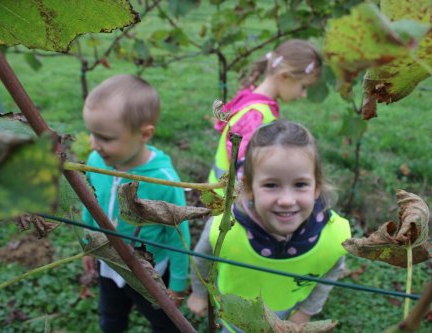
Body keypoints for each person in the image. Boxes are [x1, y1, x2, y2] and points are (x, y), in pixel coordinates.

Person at [189, 120, 351, 332]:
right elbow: (202, 261)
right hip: (233, 315)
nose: (286, 200)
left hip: (285, 313)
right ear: (248, 188)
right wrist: (199, 293)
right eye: (271, 185)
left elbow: (331, 271)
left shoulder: (333, 237)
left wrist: (307, 311)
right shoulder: (224, 228)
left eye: (300, 185)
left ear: (316, 187)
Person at [81, 74, 190, 333]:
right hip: (110, 263)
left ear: (145, 133)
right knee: (111, 317)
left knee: (164, 323)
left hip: (150, 273)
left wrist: (176, 283)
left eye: (105, 138)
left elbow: (178, 236)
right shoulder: (95, 161)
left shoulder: (164, 182)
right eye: (91, 134)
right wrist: (89, 244)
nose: (95, 145)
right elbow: (90, 205)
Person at [209, 39, 322, 192]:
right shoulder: (255, 117)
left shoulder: (253, 101)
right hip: (230, 208)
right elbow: (245, 170)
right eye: (304, 86)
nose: (304, 94)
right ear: (285, 76)